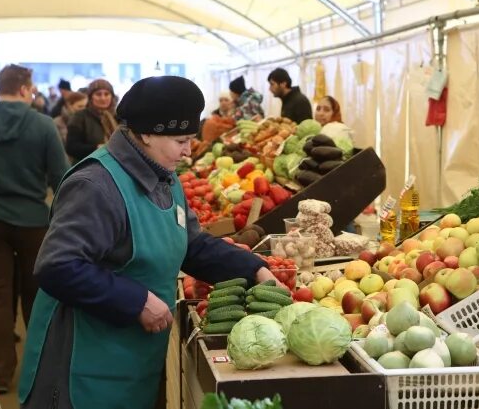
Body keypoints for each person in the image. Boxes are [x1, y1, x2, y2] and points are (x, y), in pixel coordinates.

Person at [19, 76, 283, 409]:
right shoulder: (95, 185)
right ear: (146, 133)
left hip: (128, 358)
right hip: (81, 365)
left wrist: (255, 269)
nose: (188, 151)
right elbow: (56, 266)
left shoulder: (163, 176)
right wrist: (136, 300)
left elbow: (191, 244)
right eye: (181, 140)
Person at [0, 64, 69, 393]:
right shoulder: (42, 125)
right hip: (34, 222)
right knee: (38, 297)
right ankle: (39, 371)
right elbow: (60, 176)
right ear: (23, 88)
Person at [65, 78, 118, 163]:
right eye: (98, 94)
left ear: (112, 97)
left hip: (115, 165)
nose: (103, 98)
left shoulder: (118, 117)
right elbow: (71, 147)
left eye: (106, 94)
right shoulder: (80, 117)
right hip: (87, 168)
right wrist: (96, 148)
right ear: (90, 97)